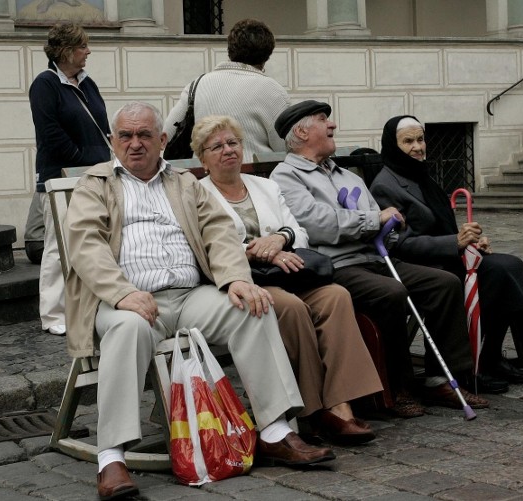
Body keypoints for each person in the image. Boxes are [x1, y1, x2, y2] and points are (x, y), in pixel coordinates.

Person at [65, 102, 335, 500]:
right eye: (126, 136)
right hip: (126, 300)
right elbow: (85, 244)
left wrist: (235, 280)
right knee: (127, 329)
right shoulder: (97, 184)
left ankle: (275, 431)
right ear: (113, 141)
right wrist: (123, 293)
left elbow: (219, 233)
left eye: (144, 136)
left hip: (190, 296)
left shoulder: (183, 183)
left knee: (252, 307)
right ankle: (112, 457)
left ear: (162, 141)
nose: (135, 144)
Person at [270, 100, 491, 417]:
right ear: (303, 132)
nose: (332, 126)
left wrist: (397, 228)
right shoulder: (287, 176)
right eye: (323, 120)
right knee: (391, 292)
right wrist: (373, 221)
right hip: (337, 266)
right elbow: (316, 224)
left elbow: (383, 224)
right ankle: (397, 387)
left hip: (375, 257)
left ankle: (442, 378)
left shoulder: (347, 175)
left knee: (443, 282)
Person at [193, 115, 382, 444]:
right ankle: (310, 410)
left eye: (233, 143)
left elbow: (301, 233)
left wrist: (281, 239)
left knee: (336, 296)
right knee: (289, 308)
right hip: (239, 282)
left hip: (288, 273)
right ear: (202, 158)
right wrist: (258, 251)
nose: (228, 150)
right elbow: (204, 248)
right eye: (217, 146)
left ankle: (340, 406)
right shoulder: (197, 195)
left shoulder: (266, 186)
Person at [370, 115, 523, 389]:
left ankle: (490, 355)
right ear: (393, 144)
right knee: (494, 273)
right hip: (419, 263)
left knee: (509, 266)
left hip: (447, 253)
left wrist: (471, 242)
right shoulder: (385, 185)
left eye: (421, 139)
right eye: (408, 141)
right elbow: (400, 243)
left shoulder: (420, 173)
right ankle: (471, 365)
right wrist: (455, 243)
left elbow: (439, 222)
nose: (418, 147)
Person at [29, 22, 111, 335]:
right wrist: (82, 161)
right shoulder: (45, 85)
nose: (88, 51)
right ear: (66, 51)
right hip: (62, 176)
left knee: (91, 241)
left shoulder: (87, 83)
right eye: (82, 47)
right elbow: (50, 134)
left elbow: (101, 126)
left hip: (93, 174)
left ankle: (86, 307)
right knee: (57, 245)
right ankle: (53, 315)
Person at [163, 18, 289, 162]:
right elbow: (286, 147)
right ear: (267, 55)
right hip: (255, 176)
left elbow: (167, 134)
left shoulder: (197, 85)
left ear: (230, 49)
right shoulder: (273, 90)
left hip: (204, 176)